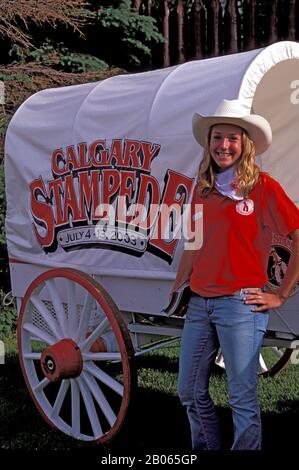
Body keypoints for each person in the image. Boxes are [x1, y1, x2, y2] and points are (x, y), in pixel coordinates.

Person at [173, 98, 299, 451]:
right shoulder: (203, 189)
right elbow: (194, 245)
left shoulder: (263, 187)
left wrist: (281, 293)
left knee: (241, 396)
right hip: (200, 304)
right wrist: (178, 284)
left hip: (240, 306)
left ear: (244, 144)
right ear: (208, 142)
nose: (223, 145)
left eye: (232, 138)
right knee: (188, 390)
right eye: (217, 137)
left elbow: (297, 234)